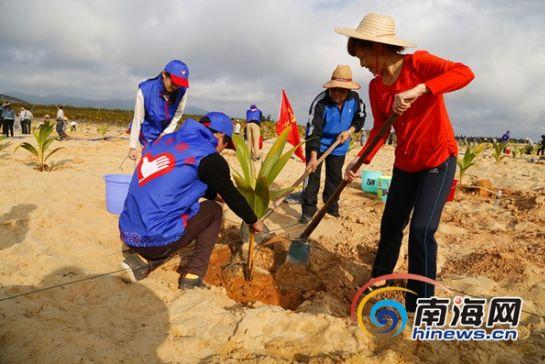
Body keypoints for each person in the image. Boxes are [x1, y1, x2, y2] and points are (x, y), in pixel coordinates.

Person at [339, 13, 474, 313]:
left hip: (437, 160)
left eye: (361, 55)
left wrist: (420, 89)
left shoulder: (419, 64)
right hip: (405, 165)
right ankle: (379, 280)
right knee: (391, 226)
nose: (361, 63)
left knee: (422, 230)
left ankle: (421, 305)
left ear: (377, 47)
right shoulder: (376, 87)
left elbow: (464, 73)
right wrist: (359, 161)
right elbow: (380, 128)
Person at [119, 111, 264, 289]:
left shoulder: (166, 141)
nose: (222, 150)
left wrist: (217, 194)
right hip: (154, 241)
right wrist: (254, 220)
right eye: (226, 145)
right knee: (214, 211)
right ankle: (193, 276)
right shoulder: (209, 157)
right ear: (220, 136)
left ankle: (141, 257)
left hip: (127, 233)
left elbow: (179, 180)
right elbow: (231, 195)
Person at [300, 65, 366, 223]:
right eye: (334, 89)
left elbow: (360, 118)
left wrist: (349, 131)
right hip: (318, 145)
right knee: (312, 177)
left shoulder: (355, 99)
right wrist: (313, 157)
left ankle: (331, 206)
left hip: (339, 146)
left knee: (334, 178)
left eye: (342, 91)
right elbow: (313, 131)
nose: (337, 94)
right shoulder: (320, 103)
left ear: (348, 90)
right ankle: (308, 210)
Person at [127, 59, 189, 161]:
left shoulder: (182, 91)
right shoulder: (145, 90)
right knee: (148, 163)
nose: (175, 87)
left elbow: (178, 114)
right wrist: (133, 147)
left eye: (179, 84)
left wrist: (166, 133)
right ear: (164, 74)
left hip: (166, 134)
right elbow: (138, 119)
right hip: (147, 133)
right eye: (173, 82)